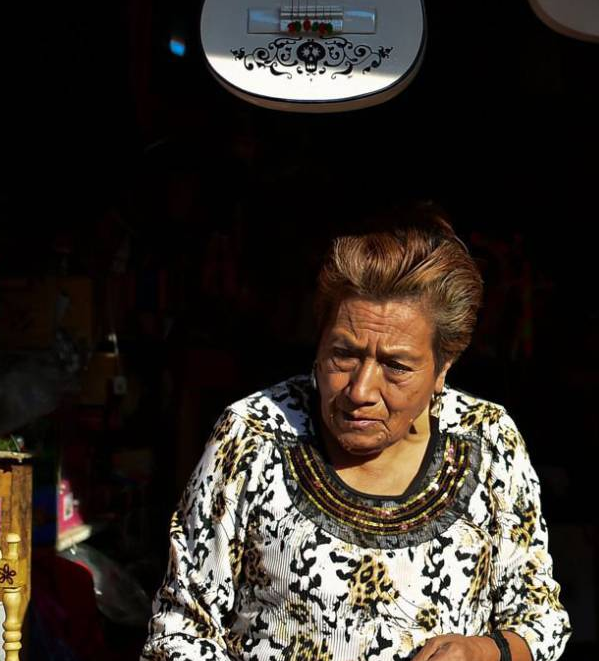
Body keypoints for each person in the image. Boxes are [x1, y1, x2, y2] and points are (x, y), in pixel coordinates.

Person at [143, 208, 570, 661]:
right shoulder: (253, 436)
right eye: (343, 355)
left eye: (396, 366)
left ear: (442, 367)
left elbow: (540, 619)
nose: (360, 390)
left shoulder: (487, 440)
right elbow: (179, 631)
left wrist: (483, 653)